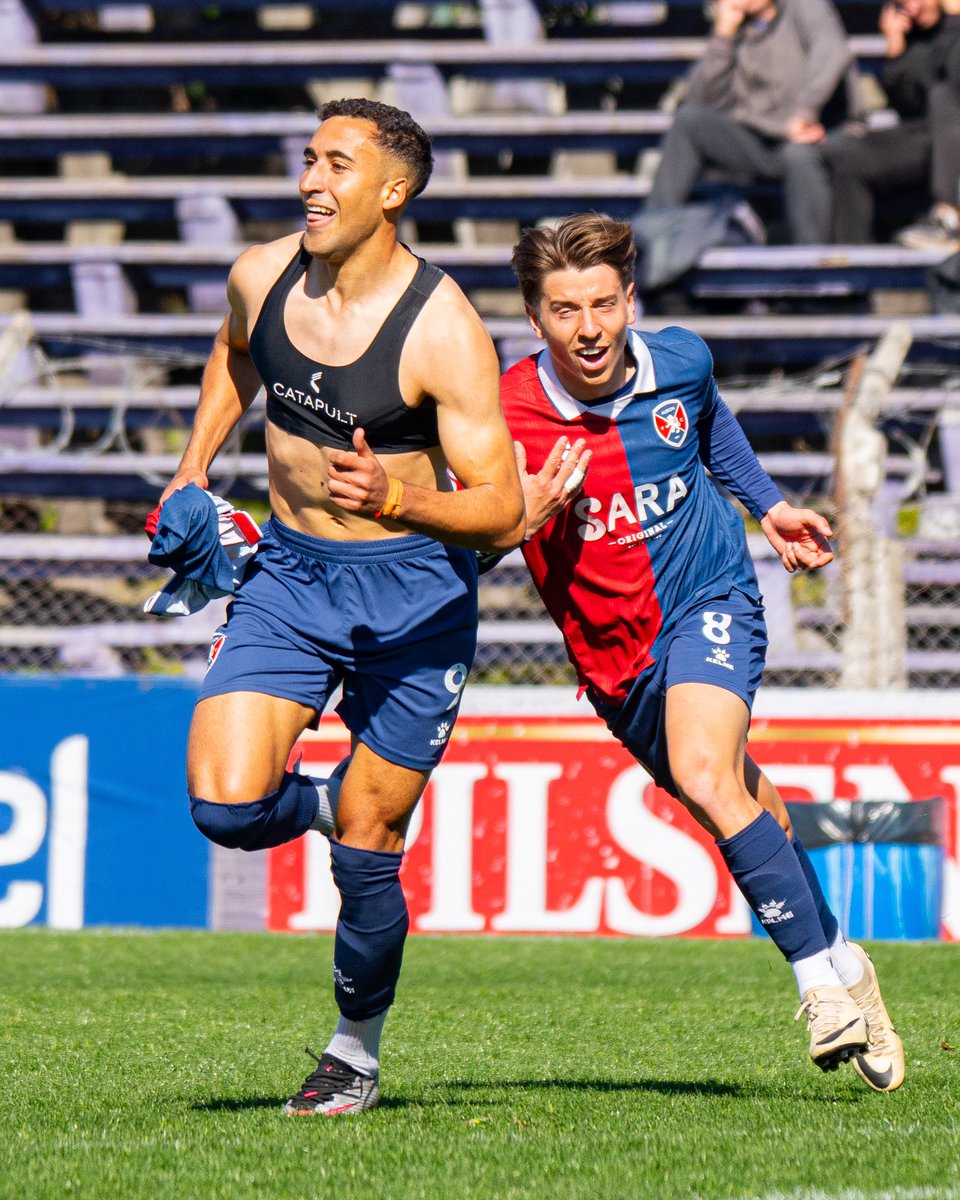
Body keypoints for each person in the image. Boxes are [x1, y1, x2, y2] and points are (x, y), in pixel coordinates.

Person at [153, 97, 525, 1116]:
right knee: (226, 806)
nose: (311, 181)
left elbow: (503, 514)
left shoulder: (443, 330)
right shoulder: (261, 276)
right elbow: (237, 356)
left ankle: (352, 1051)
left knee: (371, 851)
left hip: (414, 598)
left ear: (393, 191)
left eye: (338, 165)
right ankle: (327, 801)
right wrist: (192, 471)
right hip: (290, 577)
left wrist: (398, 496)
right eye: (309, 159)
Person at [499, 212, 905, 1092]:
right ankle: (842, 957)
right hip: (612, 658)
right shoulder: (505, 412)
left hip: (710, 596)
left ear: (629, 298)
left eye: (605, 303)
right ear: (535, 319)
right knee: (734, 792)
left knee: (705, 767)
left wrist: (767, 507)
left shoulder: (680, 357)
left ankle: (817, 994)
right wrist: (516, 519)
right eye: (565, 310)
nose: (590, 328)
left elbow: (711, 422)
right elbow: (469, 535)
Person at [645, 0, 855, 244]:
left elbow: (832, 52)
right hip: (762, 143)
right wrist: (723, 37)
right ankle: (650, 239)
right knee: (689, 120)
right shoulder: (738, 28)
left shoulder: (804, 6)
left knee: (799, 156)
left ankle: (813, 269)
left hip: (819, 135)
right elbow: (703, 99)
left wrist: (806, 112)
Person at [826, 0, 960, 249]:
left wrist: (954, 19)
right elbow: (908, 104)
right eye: (903, 2)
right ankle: (851, 275)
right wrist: (895, 48)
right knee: (850, 156)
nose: (913, 8)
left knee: (943, 97)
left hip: (954, 143)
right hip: (929, 139)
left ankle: (949, 216)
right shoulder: (915, 36)